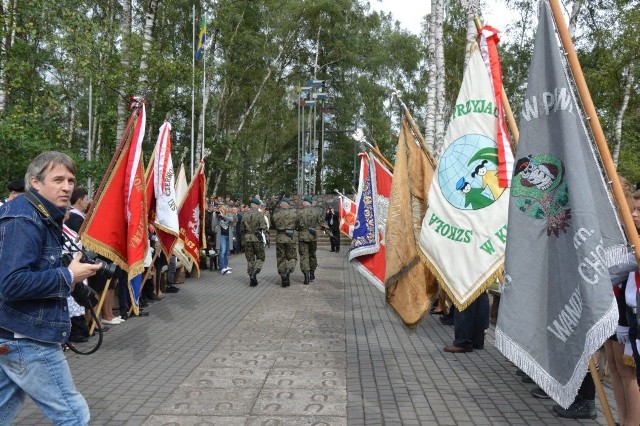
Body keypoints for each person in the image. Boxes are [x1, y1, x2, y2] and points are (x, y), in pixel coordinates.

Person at [0, 151, 102, 424]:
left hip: (14, 334)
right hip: (26, 337)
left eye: (70, 179)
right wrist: (69, 276)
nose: (67, 186)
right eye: (58, 179)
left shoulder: (38, 214)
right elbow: (12, 283)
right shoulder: (25, 219)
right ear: (35, 182)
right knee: (73, 415)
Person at [272, 197, 298, 287]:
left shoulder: (276, 215)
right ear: (288, 205)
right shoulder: (294, 214)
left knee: (281, 258)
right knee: (292, 258)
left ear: (280, 204)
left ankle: (283, 276)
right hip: (290, 238)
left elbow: (274, 225)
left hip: (280, 237)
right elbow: (297, 224)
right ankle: (288, 270)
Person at [297, 196, 324, 284]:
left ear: (305, 202)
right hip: (312, 236)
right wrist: (330, 234)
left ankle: (306, 276)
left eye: (303, 202)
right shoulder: (316, 212)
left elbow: (296, 225)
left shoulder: (299, 212)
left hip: (302, 237)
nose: (302, 203)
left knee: (304, 256)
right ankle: (312, 273)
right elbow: (322, 223)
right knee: (312, 255)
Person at [241, 198, 266, 287]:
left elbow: (242, 229)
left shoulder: (245, 215)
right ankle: (255, 272)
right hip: (257, 239)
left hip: (247, 238)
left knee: (250, 259)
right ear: (257, 205)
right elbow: (264, 227)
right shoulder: (260, 214)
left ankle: (251, 278)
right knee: (261, 257)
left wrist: (243, 240)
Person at [214, 204, 235, 275]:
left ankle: (225, 266)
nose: (220, 211)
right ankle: (222, 268)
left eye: (221, 210)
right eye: (219, 210)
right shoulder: (217, 216)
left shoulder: (229, 214)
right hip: (221, 236)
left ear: (225, 210)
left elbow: (232, 220)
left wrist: (223, 216)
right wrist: (217, 216)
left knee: (227, 252)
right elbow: (214, 224)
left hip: (228, 236)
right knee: (222, 252)